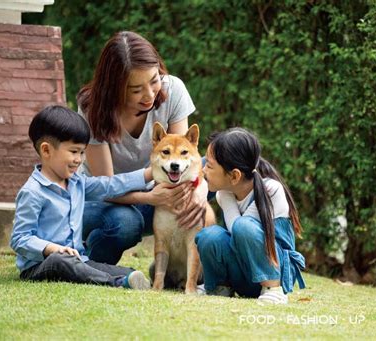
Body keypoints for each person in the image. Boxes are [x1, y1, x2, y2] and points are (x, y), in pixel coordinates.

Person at [77, 31, 207, 265]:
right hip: (105, 200)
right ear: (113, 88)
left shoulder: (173, 90)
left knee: (218, 165)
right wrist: (150, 198)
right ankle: (90, 255)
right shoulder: (92, 108)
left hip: (156, 191)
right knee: (126, 224)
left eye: (154, 80)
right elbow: (106, 187)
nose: (149, 95)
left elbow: (183, 154)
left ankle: (208, 260)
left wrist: (198, 190)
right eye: (135, 89)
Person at [10, 105, 152, 289]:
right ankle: (116, 283)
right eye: (73, 151)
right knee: (60, 261)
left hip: (79, 259)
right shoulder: (33, 192)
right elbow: (19, 238)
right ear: (46, 151)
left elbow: (109, 185)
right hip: (42, 265)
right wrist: (52, 249)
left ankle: (127, 277)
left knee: (125, 271)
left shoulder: (77, 182)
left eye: (82, 152)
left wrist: (149, 174)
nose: (79, 159)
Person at [196, 128, 306, 304]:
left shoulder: (271, 190)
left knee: (243, 226)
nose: (203, 170)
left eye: (209, 166)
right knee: (208, 236)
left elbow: (240, 229)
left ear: (234, 176)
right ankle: (220, 287)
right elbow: (234, 237)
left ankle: (273, 289)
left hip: (276, 271)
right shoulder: (224, 194)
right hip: (245, 274)